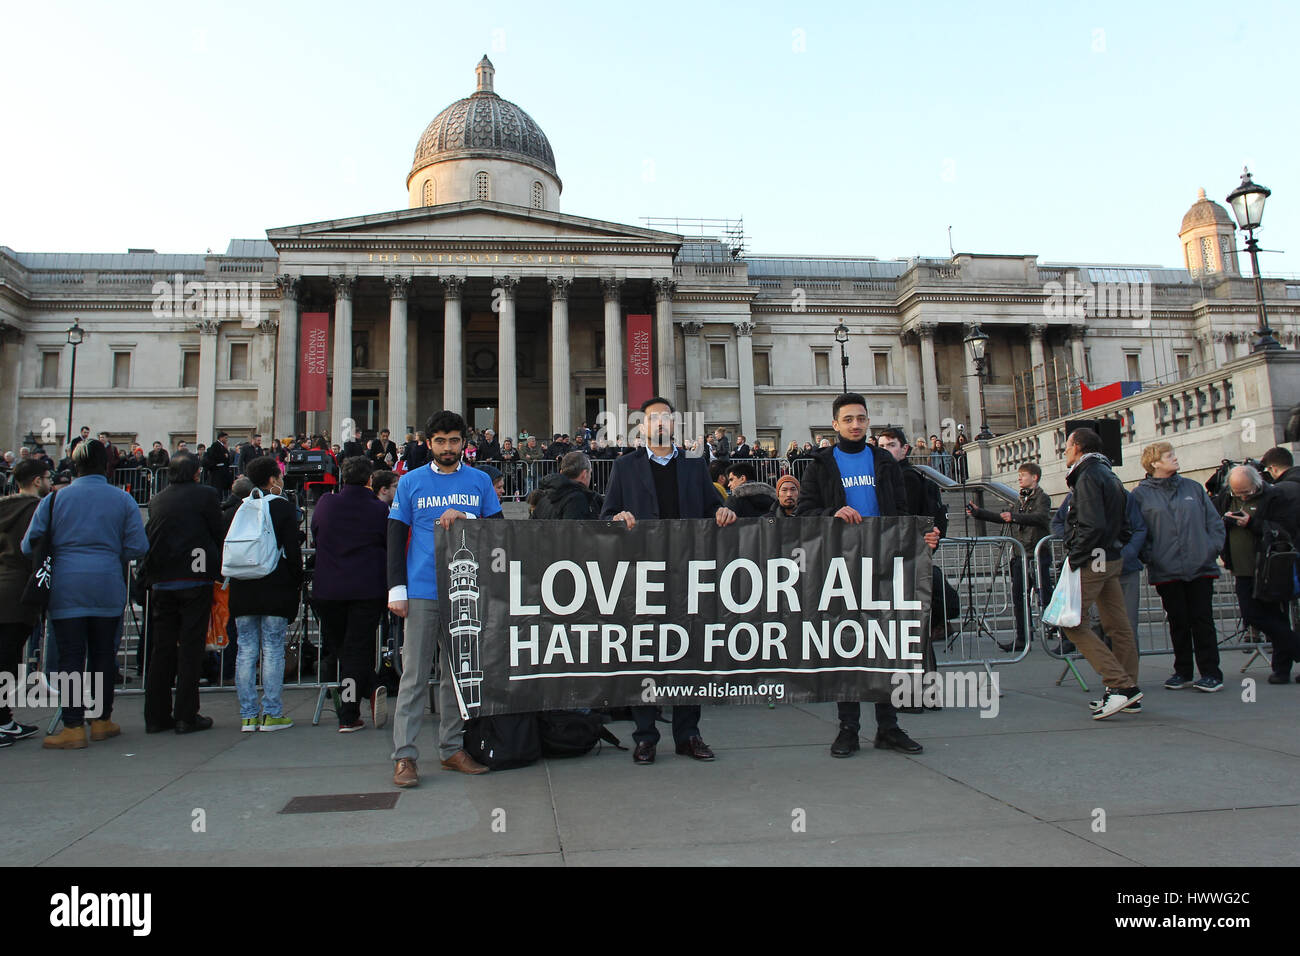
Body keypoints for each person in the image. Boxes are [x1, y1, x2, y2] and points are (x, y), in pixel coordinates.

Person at [795, 394, 939, 756]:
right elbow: (804, 512)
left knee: (884, 646)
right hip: (841, 565)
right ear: (835, 425)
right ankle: (848, 728)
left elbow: (902, 513)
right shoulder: (820, 464)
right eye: (848, 420)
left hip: (884, 562)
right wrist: (833, 513)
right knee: (848, 645)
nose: (856, 425)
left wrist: (922, 540)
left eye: (861, 419)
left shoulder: (885, 462)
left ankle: (888, 726)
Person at [602, 396, 735, 765]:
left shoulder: (694, 465)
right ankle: (645, 737)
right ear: (641, 426)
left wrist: (723, 511)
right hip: (643, 573)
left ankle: (688, 734)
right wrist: (617, 519)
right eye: (651, 419)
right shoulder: (624, 467)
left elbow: (712, 507)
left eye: (665, 418)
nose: (659, 424)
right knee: (645, 654)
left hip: (688, 571)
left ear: (675, 425)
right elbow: (608, 513)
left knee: (689, 654)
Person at [388, 410, 504, 788]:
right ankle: (404, 756)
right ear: (428, 443)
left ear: (464, 443)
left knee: (457, 676)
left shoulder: (480, 481)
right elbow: (393, 537)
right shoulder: (410, 483)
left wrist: (467, 516)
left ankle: (451, 748)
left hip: (464, 591)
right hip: (421, 588)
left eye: (454, 440)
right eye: (440, 441)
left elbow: (498, 534)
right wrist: (396, 589)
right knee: (414, 676)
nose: (447, 447)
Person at [22, 441, 148, 748]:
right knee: (104, 655)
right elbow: (138, 547)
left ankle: (73, 725)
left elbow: (29, 546)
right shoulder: (123, 500)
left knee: (71, 655)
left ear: (73, 465)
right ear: (106, 465)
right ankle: (102, 719)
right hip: (106, 583)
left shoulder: (53, 501)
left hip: (66, 585)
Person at [1058, 428, 1142, 719]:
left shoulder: (1089, 475)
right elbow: (1123, 521)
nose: (1064, 451)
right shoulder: (1108, 473)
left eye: (1067, 446)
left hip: (1094, 558)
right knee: (1118, 625)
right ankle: (1128, 687)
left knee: (1071, 622)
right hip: (1111, 556)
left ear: (1078, 447)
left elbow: (1091, 525)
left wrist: (1075, 558)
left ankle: (1120, 686)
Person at [138, 453, 222, 733]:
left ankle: (155, 716)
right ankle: (186, 714)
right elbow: (217, 532)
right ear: (197, 473)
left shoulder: (158, 499)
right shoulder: (206, 496)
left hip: (163, 580)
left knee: (161, 650)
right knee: (190, 648)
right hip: (194, 579)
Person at [1132, 442, 1226, 692]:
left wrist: (1210, 548)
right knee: (1178, 621)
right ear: (1154, 463)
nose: (1175, 458)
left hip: (1200, 565)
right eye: (1169, 456)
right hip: (1166, 568)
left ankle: (1211, 672)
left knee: (1202, 619)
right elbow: (1137, 529)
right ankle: (1182, 671)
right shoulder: (1140, 495)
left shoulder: (1193, 488)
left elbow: (1214, 523)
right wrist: (1150, 556)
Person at [311, 456, 389, 732]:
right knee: (355, 650)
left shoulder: (325, 504)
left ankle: (359, 698)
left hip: (328, 588)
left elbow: (316, 533)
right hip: (366, 588)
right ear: (370, 480)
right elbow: (386, 542)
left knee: (344, 649)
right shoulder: (379, 509)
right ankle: (351, 710)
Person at [229, 456, 303, 732]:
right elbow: (293, 552)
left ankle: (248, 714)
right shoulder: (282, 508)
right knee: (272, 649)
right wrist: (296, 581)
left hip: (242, 584)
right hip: (274, 583)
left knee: (245, 650)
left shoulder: (242, 507)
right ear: (273, 479)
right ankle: (272, 712)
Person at [1219, 465, 1300, 685]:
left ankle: (1281, 669)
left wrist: (1252, 524)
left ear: (1257, 483)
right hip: (1242, 568)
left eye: (1247, 492)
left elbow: (1284, 531)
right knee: (1252, 615)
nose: (1243, 496)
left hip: (1269, 567)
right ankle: (1294, 648)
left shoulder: (1275, 496)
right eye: (1238, 493)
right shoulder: (1227, 498)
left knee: (1277, 616)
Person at [966, 462, 1052, 652]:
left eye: (1023, 475)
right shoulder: (1019, 500)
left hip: (1036, 554)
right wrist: (979, 513)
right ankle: (1023, 637)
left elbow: (1041, 518)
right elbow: (1003, 517)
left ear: (1034, 477)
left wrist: (1015, 518)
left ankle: (1061, 631)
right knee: (1019, 597)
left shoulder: (1042, 498)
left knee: (1045, 595)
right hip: (1020, 553)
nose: (1020, 478)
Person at [0, 461, 50, 746]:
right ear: (35, 481)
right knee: (7, 659)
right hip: (18, 590)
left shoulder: (4, 507)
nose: (49, 483)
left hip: (3, 584)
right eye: (46, 478)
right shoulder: (35, 511)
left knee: (6, 657)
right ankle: (2, 720)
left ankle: (5, 718)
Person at [533, 451, 602, 519]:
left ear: (561, 472)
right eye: (590, 473)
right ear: (584, 474)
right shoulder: (578, 500)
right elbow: (575, 529)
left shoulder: (544, 499)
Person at [203, 432, 233, 496]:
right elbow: (214, 456)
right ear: (221, 438)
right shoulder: (216, 445)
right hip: (217, 470)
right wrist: (224, 456)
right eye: (225, 438)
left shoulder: (222, 446)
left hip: (223, 470)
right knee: (217, 487)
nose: (226, 440)